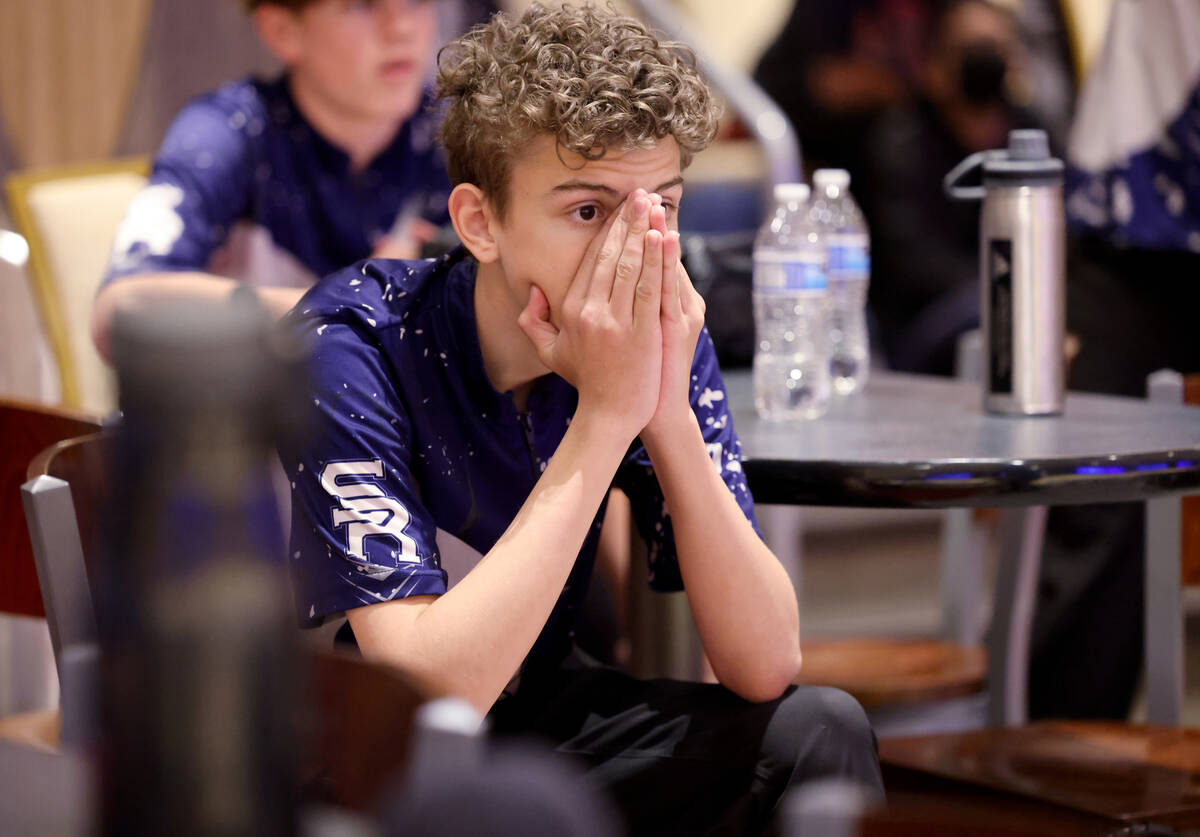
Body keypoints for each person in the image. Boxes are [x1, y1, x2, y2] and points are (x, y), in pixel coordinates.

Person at [279, 4, 883, 833]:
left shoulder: (658, 330)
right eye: (590, 212)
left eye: (661, 206)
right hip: (360, 755)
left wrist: (663, 407)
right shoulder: (351, 344)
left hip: (540, 713)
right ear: (480, 222)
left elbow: (764, 660)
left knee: (820, 728)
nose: (633, 252)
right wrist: (605, 417)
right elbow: (423, 697)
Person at [91, 0, 451, 358]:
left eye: (418, 1)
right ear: (283, 31)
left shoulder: (453, 133)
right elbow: (119, 309)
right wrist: (352, 303)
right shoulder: (228, 133)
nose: (401, 28)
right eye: (363, 5)